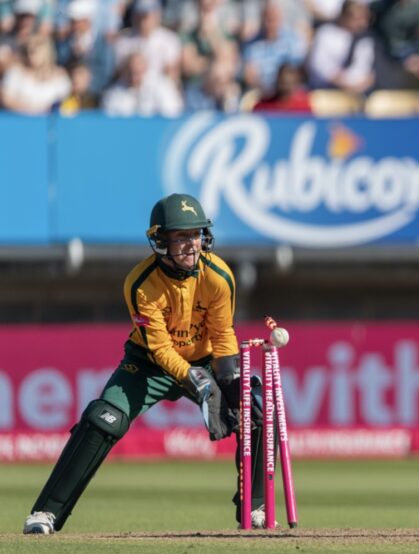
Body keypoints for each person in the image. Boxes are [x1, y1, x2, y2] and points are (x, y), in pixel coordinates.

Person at [23, 193, 267, 534]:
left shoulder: (218, 275)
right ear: (161, 241)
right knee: (102, 419)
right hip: (149, 363)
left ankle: (254, 507)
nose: (190, 244)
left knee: (253, 406)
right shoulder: (141, 283)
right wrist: (194, 380)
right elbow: (160, 348)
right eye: (180, 237)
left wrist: (227, 380)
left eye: (195, 234)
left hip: (206, 357)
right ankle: (46, 514)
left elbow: (223, 333)